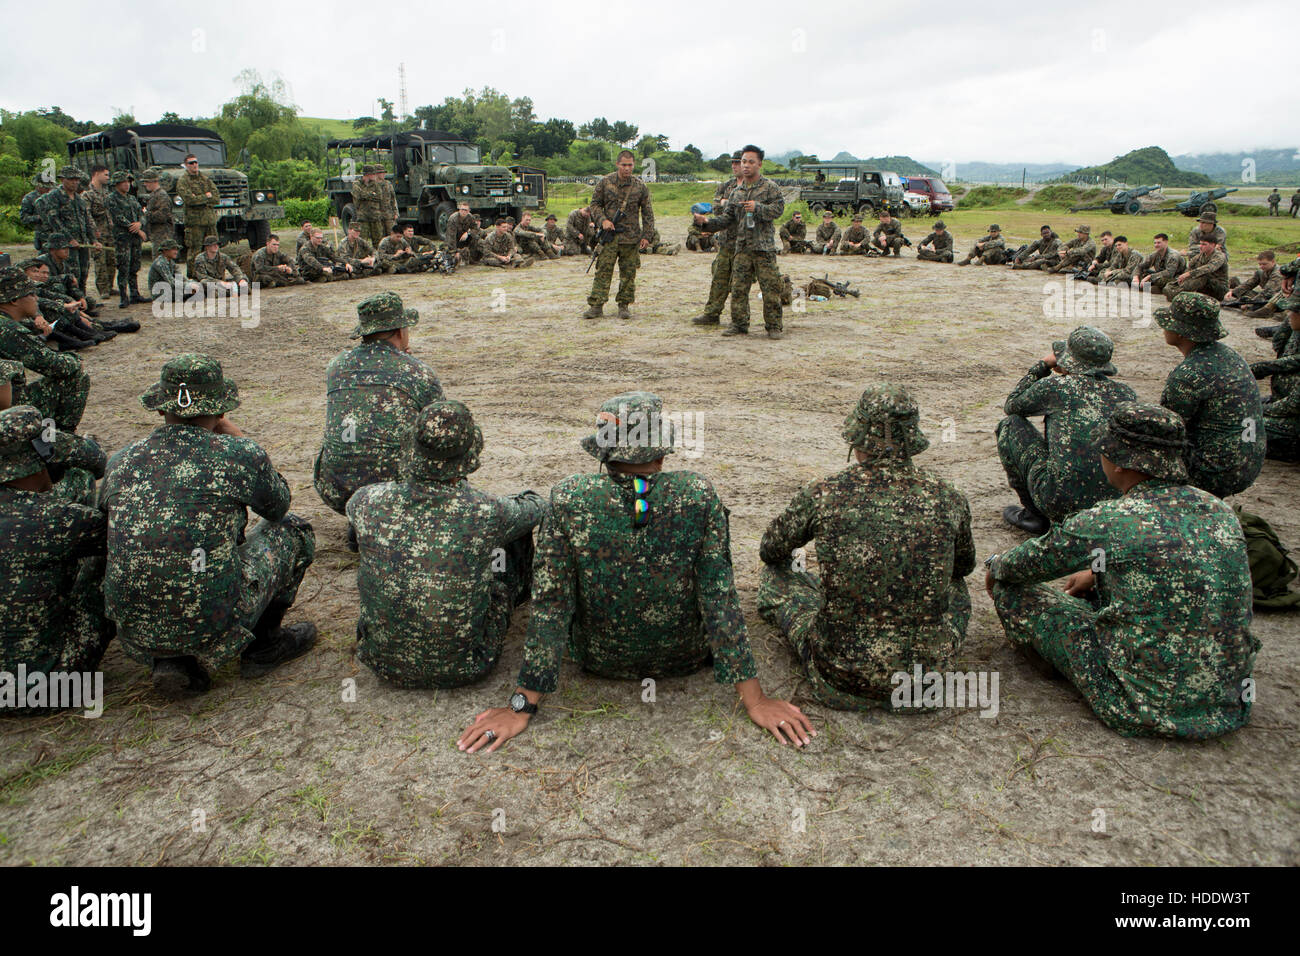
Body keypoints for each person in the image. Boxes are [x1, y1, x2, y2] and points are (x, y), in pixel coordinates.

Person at [457, 391, 814, 753]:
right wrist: (755, 700)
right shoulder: (698, 494)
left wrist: (522, 705)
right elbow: (718, 596)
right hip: (685, 656)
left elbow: (552, 604)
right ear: (661, 450)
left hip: (598, 658)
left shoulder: (569, 499)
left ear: (604, 452)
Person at [986, 402, 1257, 739]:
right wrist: (1097, 574)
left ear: (1118, 463)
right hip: (1227, 701)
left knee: (1007, 588)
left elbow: (1017, 567)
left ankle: (1051, 658)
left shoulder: (1109, 519)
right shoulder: (1219, 510)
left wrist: (993, 566)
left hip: (1141, 705)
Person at [99, 354, 317, 697]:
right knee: (294, 531)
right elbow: (278, 507)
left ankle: (170, 657)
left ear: (160, 409)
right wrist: (244, 442)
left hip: (133, 625)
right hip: (212, 618)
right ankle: (264, 646)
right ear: (219, 411)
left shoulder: (121, 460)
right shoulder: (235, 454)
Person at [757, 384, 975, 711]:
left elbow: (771, 550)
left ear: (859, 438)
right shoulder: (949, 496)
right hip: (927, 686)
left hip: (838, 677)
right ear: (910, 440)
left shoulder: (824, 492)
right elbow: (963, 568)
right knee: (957, 585)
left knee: (778, 575)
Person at [347, 400, 547, 688]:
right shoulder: (487, 511)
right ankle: (517, 597)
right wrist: (519, 497)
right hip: (470, 663)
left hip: (380, 660)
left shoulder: (365, 500)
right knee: (512, 539)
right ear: (469, 453)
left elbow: (356, 539)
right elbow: (536, 508)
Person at [0, 405, 115, 712]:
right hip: (45, 688)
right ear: (42, 459)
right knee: (108, 558)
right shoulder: (56, 520)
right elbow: (97, 462)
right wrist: (58, 443)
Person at [314, 292, 443, 550]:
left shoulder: (336, 366)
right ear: (399, 330)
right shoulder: (418, 372)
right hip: (396, 492)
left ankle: (361, 517)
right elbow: (439, 431)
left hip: (337, 489)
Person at [996, 327, 1138, 534]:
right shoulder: (1126, 393)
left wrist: (1042, 366)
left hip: (1060, 501)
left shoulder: (1056, 387)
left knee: (1010, 425)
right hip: (1115, 500)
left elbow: (1013, 406)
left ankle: (1035, 515)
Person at [1158, 292, 1265, 497]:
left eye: (1168, 323)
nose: (1164, 327)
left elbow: (1166, 430)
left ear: (1181, 332)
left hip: (1216, 472)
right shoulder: (1230, 356)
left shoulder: (1189, 375)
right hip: (1249, 461)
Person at [692, 145, 786, 338]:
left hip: (763, 248)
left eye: (751, 162)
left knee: (770, 288)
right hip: (741, 247)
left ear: (759, 164)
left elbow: (778, 210)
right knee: (738, 288)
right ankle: (739, 324)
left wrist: (757, 207)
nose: (746, 165)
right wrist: (707, 222)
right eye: (743, 161)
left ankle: (774, 326)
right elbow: (727, 219)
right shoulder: (736, 192)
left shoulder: (770, 188)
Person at [0, 267, 89, 432]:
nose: (36, 299)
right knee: (76, 376)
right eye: (31, 294)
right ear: (13, 300)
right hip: (7, 410)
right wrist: (75, 360)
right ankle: (59, 438)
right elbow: (55, 365)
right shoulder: (8, 330)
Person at [582, 150, 654, 320]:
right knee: (603, 270)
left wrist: (647, 235)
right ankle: (596, 305)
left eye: (630, 165)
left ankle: (624, 305)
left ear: (634, 165)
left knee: (628, 273)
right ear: (617, 164)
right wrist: (603, 221)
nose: (627, 169)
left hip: (631, 238)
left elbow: (648, 213)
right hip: (610, 236)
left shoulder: (640, 186)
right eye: (624, 165)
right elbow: (594, 205)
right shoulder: (605, 183)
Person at [689, 151, 743, 327]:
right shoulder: (726, 186)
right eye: (733, 163)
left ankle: (741, 320)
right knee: (719, 277)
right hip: (726, 239)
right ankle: (712, 313)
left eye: (738, 162)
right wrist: (726, 207)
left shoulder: (755, 187)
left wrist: (727, 205)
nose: (735, 166)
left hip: (746, 242)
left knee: (741, 284)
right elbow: (717, 210)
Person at [1251, 295, 1300, 461]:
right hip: (1286, 407)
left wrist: (1256, 411)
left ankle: (1244, 449)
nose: (1288, 315)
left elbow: (1291, 406)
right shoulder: (1294, 335)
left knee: (1242, 423)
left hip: (1294, 422)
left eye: (1293, 312)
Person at [36, 167, 98, 290]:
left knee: (84, 273)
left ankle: (83, 301)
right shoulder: (54, 196)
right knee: (72, 275)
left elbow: (86, 220)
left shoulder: (79, 198)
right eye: (71, 179)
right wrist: (69, 239)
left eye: (77, 180)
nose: (75, 182)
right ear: (63, 180)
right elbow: (53, 220)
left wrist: (93, 240)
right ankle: (74, 302)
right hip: (66, 245)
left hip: (82, 243)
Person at [105, 171, 151, 307]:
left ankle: (135, 294)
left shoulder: (132, 199)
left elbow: (141, 214)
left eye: (128, 182)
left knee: (134, 266)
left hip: (134, 239)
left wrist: (140, 224)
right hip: (122, 238)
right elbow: (118, 218)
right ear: (116, 184)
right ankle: (124, 296)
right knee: (123, 266)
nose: (127, 185)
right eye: (123, 182)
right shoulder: (111, 199)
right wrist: (136, 228)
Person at [175, 154, 219, 272]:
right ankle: (193, 276)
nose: (194, 165)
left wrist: (199, 198)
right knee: (195, 250)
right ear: (186, 165)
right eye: (191, 163)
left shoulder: (205, 179)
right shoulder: (183, 181)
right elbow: (189, 199)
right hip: (195, 223)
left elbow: (216, 198)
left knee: (213, 248)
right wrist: (206, 196)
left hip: (210, 220)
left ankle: (213, 273)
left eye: (196, 162)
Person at [83, 165, 116, 299]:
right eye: (106, 175)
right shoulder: (87, 194)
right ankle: (103, 289)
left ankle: (110, 286)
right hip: (98, 233)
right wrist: (94, 231)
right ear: (96, 174)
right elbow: (87, 214)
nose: (108, 178)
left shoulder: (107, 193)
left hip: (110, 232)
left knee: (111, 261)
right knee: (100, 261)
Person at [1165, 235, 1229, 301]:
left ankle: (1179, 293)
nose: (1201, 246)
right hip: (1205, 286)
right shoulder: (1201, 255)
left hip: (1219, 288)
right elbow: (1190, 266)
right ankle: (1178, 290)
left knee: (1203, 276)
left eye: (1204, 244)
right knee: (1177, 281)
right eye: (1200, 244)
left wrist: (1189, 274)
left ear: (1213, 245)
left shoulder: (1219, 256)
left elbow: (1208, 268)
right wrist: (1184, 277)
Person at [147, 239, 200, 304]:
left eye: (176, 249)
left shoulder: (171, 262)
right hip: (160, 293)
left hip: (170, 289)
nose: (176, 252)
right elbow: (171, 282)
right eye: (173, 249)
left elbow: (180, 278)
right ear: (165, 251)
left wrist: (191, 283)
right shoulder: (160, 263)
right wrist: (189, 286)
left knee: (196, 285)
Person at [350, 165, 386, 248]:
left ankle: (378, 258)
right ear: (367, 175)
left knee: (378, 240)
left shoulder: (376, 185)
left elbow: (379, 197)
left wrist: (365, 195)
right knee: (362, 240)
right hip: (363, 217)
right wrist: (371, 194)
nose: (374, 176)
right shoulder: (357, 184)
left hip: (375, 216)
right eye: (373, 174)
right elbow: (358, 195)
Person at [141, 168, 174, 252]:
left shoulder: (162, 196)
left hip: (163, 235)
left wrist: (146, 213)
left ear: (154, 181)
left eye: (146, 181)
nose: (145, 184)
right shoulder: (154, 195)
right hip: (156, 234)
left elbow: (162, 216)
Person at [20, 175, 53, 252]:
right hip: (43, 237)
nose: (48, 189)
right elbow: (24, 218)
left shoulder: (54, 196)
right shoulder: (29, 198)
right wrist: (39, 217)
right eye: (45, 187)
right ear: (37, 186)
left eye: (49, 187)